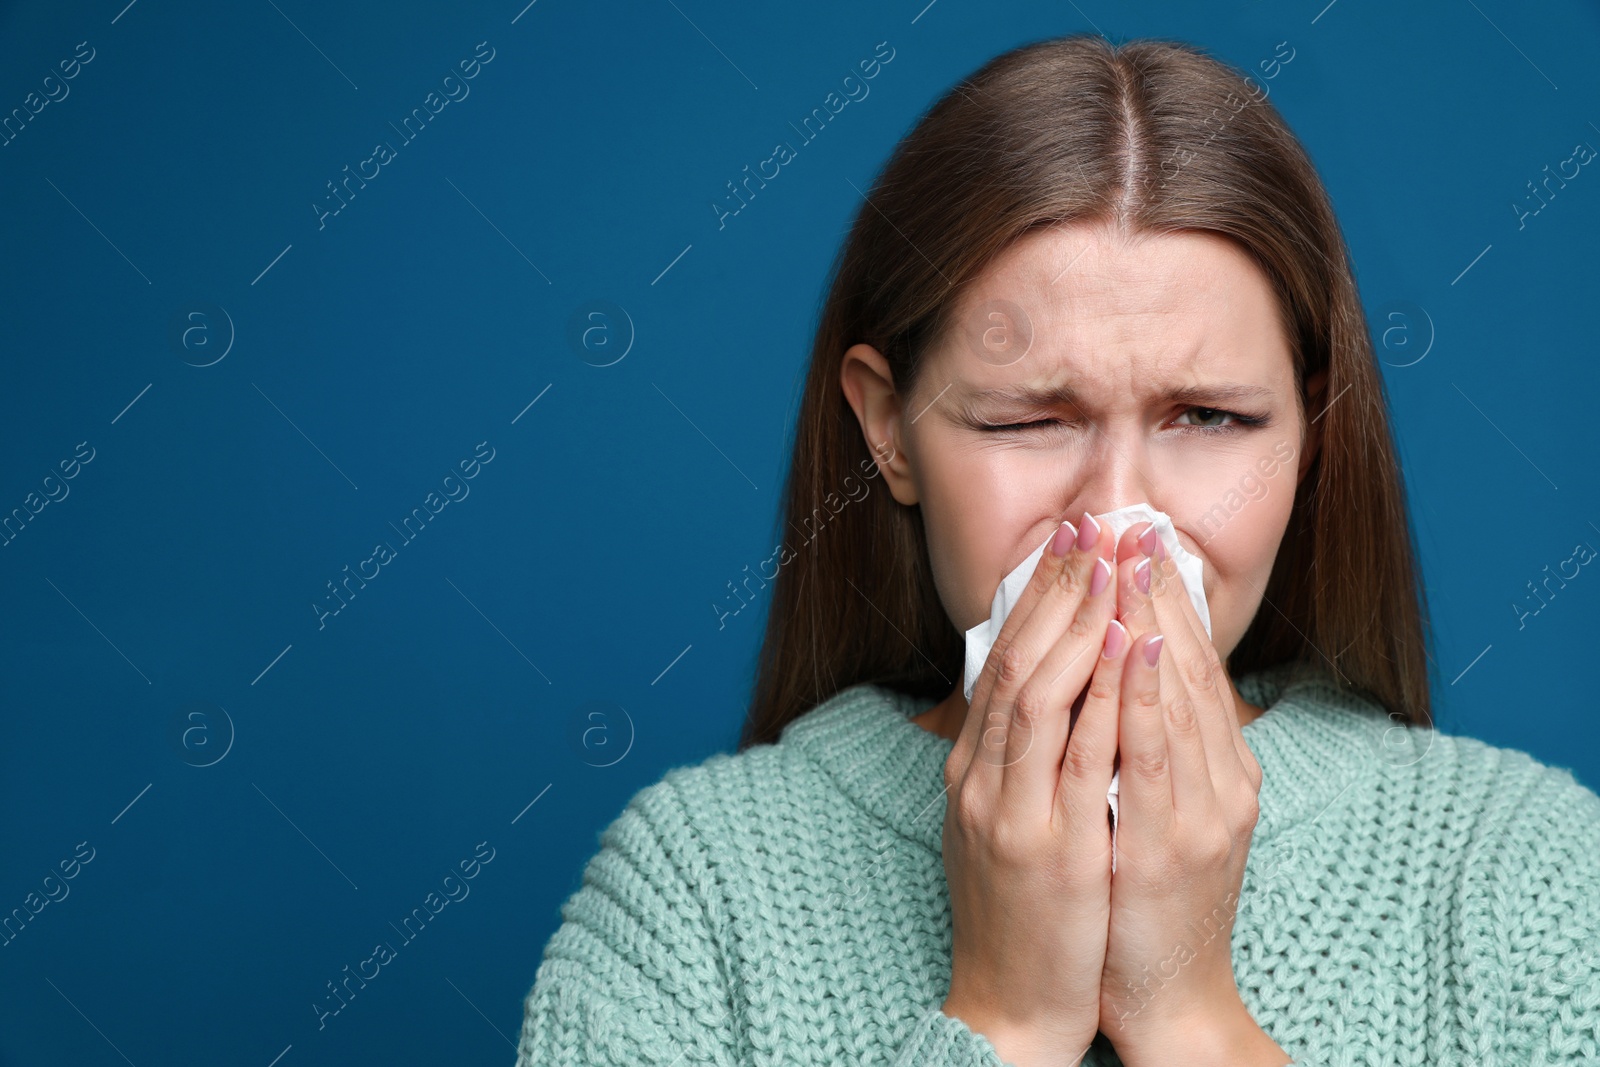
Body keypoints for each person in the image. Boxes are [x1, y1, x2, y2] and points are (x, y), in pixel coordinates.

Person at [514, 33, 1600, 1066]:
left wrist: (1187, 1015)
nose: (1120, 520)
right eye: (1031, 421)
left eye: (1208, 417)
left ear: (1311, 434)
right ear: (887, 429)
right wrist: (1006, 1016)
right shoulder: (693, 889)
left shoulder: (1527, 870)